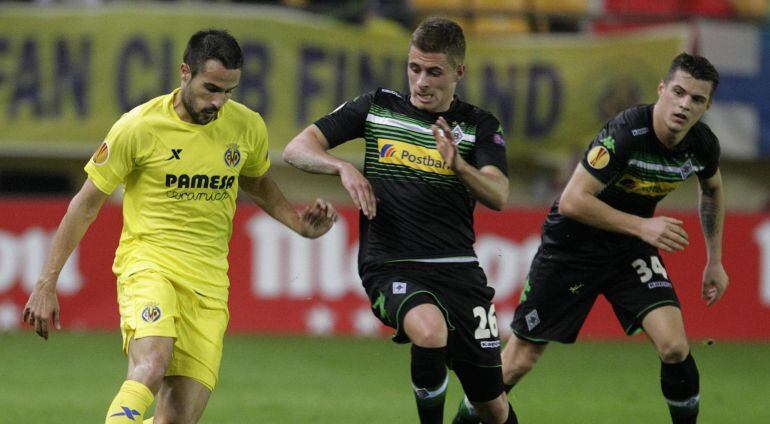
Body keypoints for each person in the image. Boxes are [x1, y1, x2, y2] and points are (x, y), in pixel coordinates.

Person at [22, 29, 337, 424]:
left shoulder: (246, 127)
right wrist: (45, 283)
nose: (218, 102)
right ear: (184, 72)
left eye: (229, 92)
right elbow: (84, 205)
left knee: (177, 419)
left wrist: (298, 223)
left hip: (208, 283)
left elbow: (255, 181)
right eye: (210, 89)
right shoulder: (137, 127)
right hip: (149, 264)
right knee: (152, 363)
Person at [454, 53, 728, 424]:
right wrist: (643, 226)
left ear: (707, 105)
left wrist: (714, 261)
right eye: (678, 92)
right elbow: (571, 201)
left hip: (628, 249)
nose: (684, 104)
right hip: (573, 248)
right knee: (516, 364)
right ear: (662, 89)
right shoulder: (627, 133)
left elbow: (712, 189)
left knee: (675, 346)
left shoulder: (701, 145)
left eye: (696, 99)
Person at [283, 16, 517, 424]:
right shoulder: (378, 107)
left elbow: (498, 194)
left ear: (458, 71)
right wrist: (341, 167)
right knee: (429, 331)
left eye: (434, 71)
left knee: (492, 408)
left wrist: (459, 166)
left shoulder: (478, 125)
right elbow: (296, 148)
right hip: (390, 263)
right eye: (414, 68)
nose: (421, 81)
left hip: (459, 271)